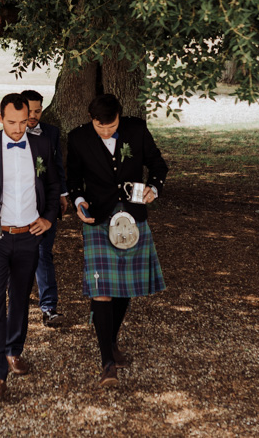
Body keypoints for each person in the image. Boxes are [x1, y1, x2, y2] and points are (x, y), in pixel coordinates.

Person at [0, 93, 60, 400]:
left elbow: (54, 186)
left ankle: (14, 350)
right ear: (1, 117)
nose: (19, 129)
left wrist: (48, 219)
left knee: (19, 298)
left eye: (24, 121)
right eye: (12, 122)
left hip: (29, 235)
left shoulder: (42, 146)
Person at [67, 93, 168, 388]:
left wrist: (154, 189)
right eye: (101, 128)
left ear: (119, 117)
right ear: (91, 120)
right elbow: (72, 179)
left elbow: (158, 165)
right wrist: (79, 201)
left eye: (112, 127)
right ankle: (107, 364)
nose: (107, 132)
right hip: (98, 217)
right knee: (102, 288)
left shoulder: (136, 130)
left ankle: (109, 339)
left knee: (126, 287)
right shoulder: (78, 138)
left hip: (133, 215)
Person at [19, 89, 69, 327]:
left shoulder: (51, 133)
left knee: (43, 253)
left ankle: (49, 307)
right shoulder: (8, 135)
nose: (34, 115)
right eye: (29, 111)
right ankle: (17, 293)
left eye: (38, 111)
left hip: (47, 204)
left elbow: (57, 167)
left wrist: (62, 194)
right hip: (18, 206)